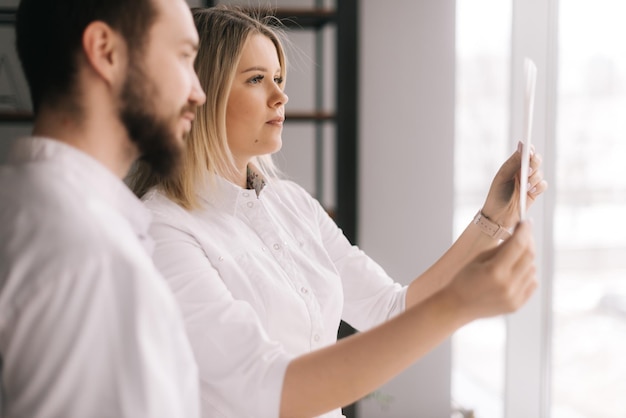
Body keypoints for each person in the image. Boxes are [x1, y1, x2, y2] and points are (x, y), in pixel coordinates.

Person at [129, 6, 548, 418]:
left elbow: (390, 308)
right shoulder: (165, 232)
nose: (281, 95)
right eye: (256, 80)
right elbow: (269, 391)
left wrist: (494, 219)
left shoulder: (290, 203)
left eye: (278, 78)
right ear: (201, 94)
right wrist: (460, 303)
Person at [0, 0, 206, 416]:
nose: (198, 92)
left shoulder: (18, 204)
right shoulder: (94, 258)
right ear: (106, 52)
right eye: (184, 56)